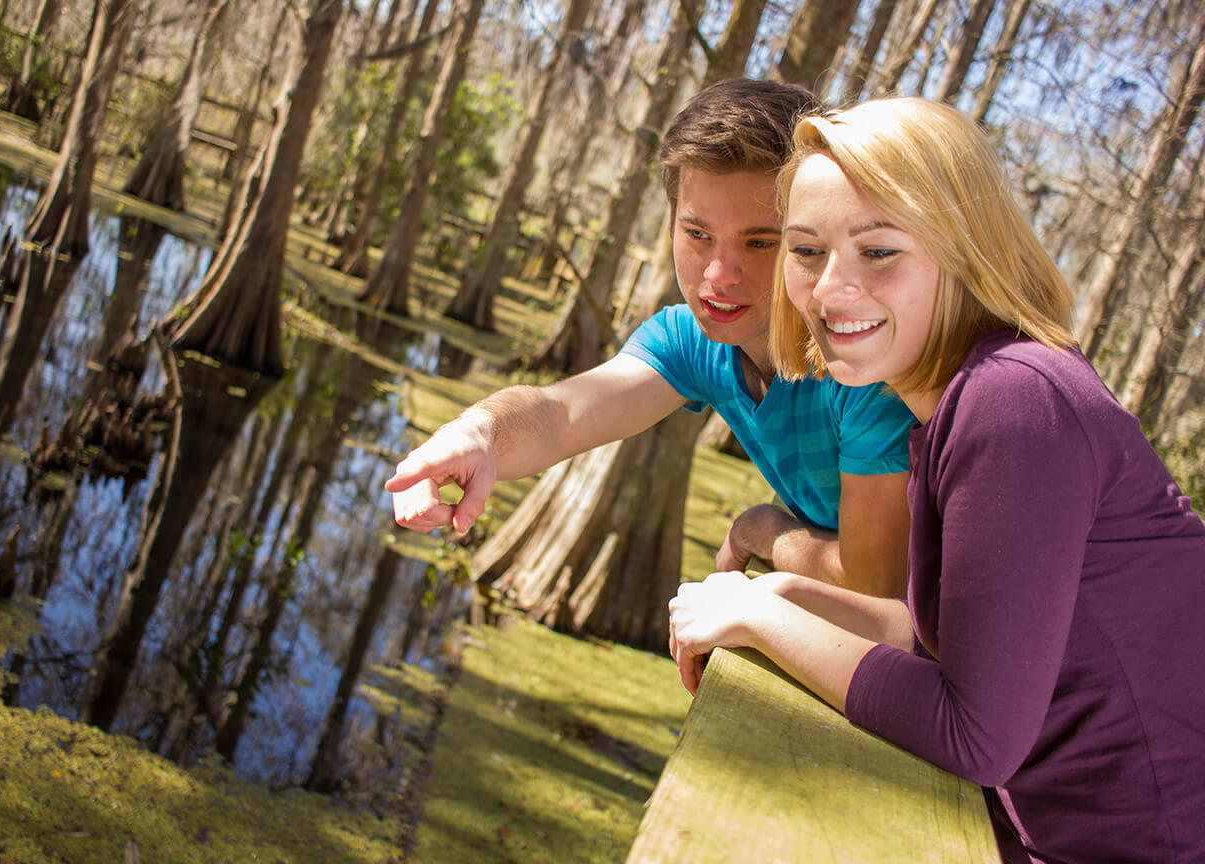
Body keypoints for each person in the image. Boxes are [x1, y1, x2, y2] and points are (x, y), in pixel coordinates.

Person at [667, 97, 1205, 862]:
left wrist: (759, 624)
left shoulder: (1016, 399)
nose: (829, 291)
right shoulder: (955, 410)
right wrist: (784, 594)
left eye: (878, 251)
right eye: (806, 250)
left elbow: (976, 732)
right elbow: (960, 651)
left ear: (964, 250)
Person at [384, 78, 915, 596]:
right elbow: (560, 415)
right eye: (698, 235)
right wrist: (478, 433)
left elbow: (877, 581)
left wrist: (763, 530)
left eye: (759, 242)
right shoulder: (692, 342)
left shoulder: (863, 360)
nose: (718, 276)